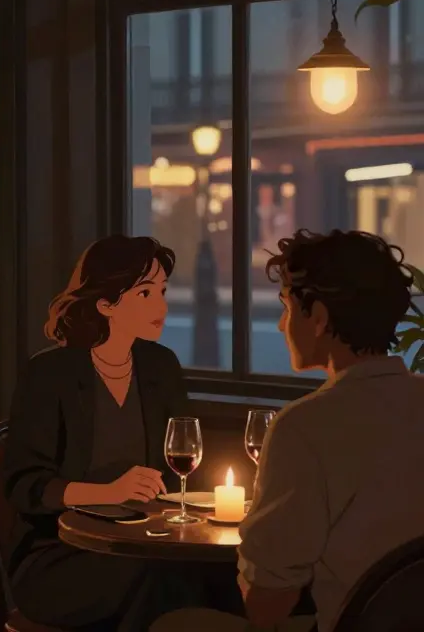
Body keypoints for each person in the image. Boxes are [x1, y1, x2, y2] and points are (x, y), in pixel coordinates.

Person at [154, 229, 424, 632]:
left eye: (286, 307)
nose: (281, 325)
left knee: (175, 624)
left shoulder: (306, 426)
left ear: (317, 317)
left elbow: (267, 605)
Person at [2, 235, 228, 632]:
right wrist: (109, 493)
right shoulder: (50, 373)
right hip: (61, 553)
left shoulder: (160, 365)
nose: (160, 306)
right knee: (162, 581)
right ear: (106, 304)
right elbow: (27, 486)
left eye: (162, 291)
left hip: (148, 544)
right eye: (144, 294)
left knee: (206, 578)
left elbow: (185, 463)